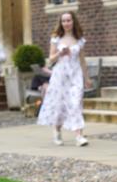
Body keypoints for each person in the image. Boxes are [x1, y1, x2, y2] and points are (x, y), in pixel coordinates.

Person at [37, 11, 91, 147]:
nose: (66, 23)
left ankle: (79, 136)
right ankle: (57, 130)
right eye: (64, 21)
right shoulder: (56, 38)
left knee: (76, 102)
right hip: (60, 75)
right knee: (59, 104)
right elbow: (50, 58)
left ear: (73, 21)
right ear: (61, 23)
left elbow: (82, 60)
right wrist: (60, 53)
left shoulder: (79, 39)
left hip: (75, 74)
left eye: (69, 20)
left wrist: (87, 78)